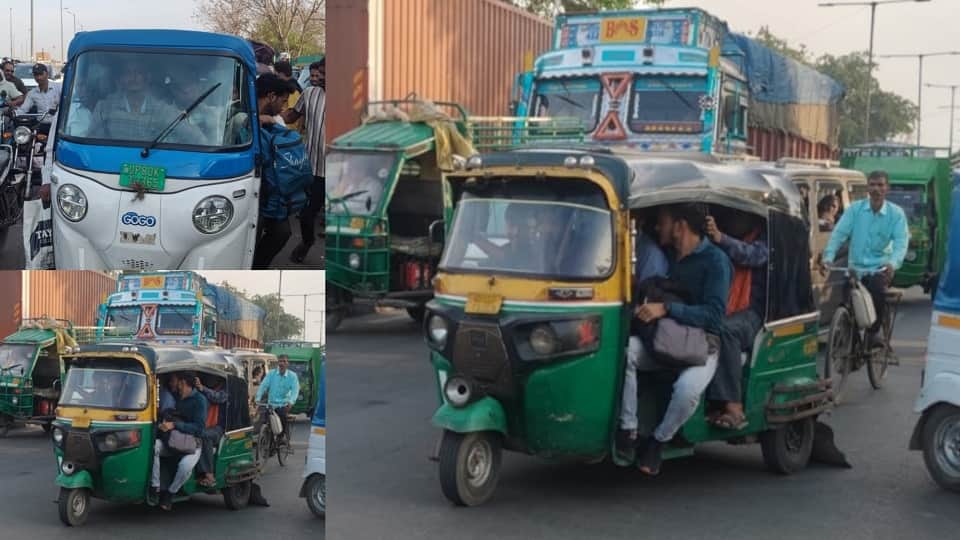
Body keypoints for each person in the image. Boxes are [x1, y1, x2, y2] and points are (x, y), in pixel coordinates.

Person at [618, 203, 731, 476]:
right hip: (665, 339)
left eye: (663, 222)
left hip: (702, 344)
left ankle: (659, 440)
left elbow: (714, 317)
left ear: (680, 226)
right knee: (626, 353)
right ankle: (628, 428)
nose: (658, 228)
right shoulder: (667, 255)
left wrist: (668, 309)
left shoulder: (716, 262)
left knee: (687, 390)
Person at [822, 170, 909, 348]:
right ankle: (851, 342)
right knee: (846, 303)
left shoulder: (896, 214)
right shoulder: (855, 210)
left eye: (880, 185)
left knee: (877, 294)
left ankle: (873, 334)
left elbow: (901, 242)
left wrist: (892, 263)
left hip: (878, 268)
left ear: (887, 188)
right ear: (867, 188)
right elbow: (839, 234)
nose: (876, 189)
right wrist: (828, 256)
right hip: (855, 268)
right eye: (873, 185)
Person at [704, 212, 768, 430]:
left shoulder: (766, 237)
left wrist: (720, 238)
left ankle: (734, 406)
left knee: (726, 330)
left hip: (755, 312)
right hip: (727, 304)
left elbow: (752, 255)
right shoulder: (728, 236)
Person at [281, 59, 326, 264]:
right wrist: (267, 116)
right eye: (321, 72)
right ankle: (306, 242)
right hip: (314, 170)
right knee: (307, 213)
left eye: (326, 73)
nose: (321, 77)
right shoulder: (309, 94)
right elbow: (291, 116)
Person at [252, 73, 297, 269]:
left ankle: (258, 267)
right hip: (250, 188)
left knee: (282, 232)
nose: (284, 107)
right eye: (283, 101)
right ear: (271, 96)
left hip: (272, 190)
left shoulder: (276, 121)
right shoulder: (240, 113)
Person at [89, 61, 191, 143]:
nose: (133, 77)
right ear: (121, 79)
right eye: (128, 73)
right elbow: (91, 142)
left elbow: (196, 138)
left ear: (148, 77)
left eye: (138, 72)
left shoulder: (162, 110)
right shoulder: (104, 108)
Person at [151, 371, 208, 511]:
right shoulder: (176, 397)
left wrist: (175, 425)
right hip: (173, 440)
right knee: (154, 447)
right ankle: (155, 486)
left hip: (192, 443)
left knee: (185, 466)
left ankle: (170, 493)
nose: (176, 387)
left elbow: (199, 429)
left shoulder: (200, 401)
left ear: (183, 383)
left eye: (179, 385)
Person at [193, 375, 228, 488]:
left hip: (219, 428)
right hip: (204, 425)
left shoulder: (225, 389)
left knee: (205, 436)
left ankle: (209, 474)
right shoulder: (204, 389)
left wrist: (202, 388)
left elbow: (218, 398)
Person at [255, 355, 300, 442]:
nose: (281, 363)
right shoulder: (271, 374)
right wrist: (258, 398)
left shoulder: (292, 376)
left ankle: (281, 437)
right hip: (271, 404)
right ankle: (267, 440)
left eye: (284, 361)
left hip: (283, 404)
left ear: (287, 364)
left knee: (282, 419)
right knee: (265, 421)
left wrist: (291, 402)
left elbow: (295, 390)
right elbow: (263, 385)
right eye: (280, 361)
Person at [273, 60, 302, 131]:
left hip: (288, 129)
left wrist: (273, 118)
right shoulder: (288, 86)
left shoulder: (293, 91)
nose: (275, 78)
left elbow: (291, 113)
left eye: (276, 75)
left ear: (282, 74)